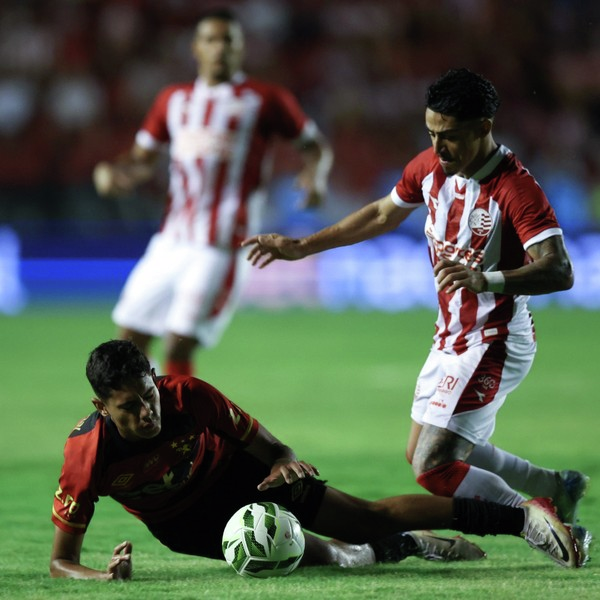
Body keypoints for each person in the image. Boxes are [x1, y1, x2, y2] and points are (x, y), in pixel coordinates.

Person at [242, 68, 589, 525]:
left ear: (483, 128)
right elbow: (382, 214)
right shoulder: (430, 167)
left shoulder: (514, 188)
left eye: (450, 136)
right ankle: (556, 487)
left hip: (496, 338)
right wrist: (303, 246)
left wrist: (486, 280)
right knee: (420, 452)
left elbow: (560, 270)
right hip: (450, 336)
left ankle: (537, 523)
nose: (439, 147)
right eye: (431, 133)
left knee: (433, 466)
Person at [49, 340, 588, 580]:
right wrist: (101, 579)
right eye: (130, 407)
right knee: (328, 558)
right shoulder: (87, 456)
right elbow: (60, 561)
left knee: (366, 517)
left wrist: (284, 462)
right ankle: (406, 545)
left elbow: (272, 448)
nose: (147, 412)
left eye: (149, 394)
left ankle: (522, 519)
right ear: (101, 406)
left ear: (154, 378)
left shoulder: (189, 396)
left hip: (242, 477)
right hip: (184, 524)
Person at [92, 8, 333, 376]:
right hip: (171, 240)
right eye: (211, 40)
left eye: (228, 41)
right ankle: (156, 405)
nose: (219, 48)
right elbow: (142, 159)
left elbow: (314, 147)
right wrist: (115, 173)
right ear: (195, 47)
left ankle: (180, 412)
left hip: (222, 245)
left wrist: (315, 177)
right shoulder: (173, 100)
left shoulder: (265, 98)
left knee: (179, 342)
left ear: (241, 48)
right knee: (129, 339)